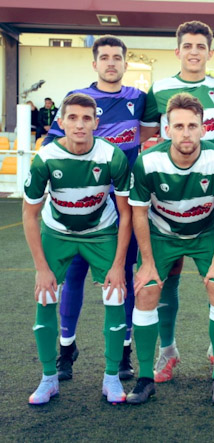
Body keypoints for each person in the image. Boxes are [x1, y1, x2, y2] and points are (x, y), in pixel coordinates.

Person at [43, 35, 148, 382]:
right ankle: (66, 348)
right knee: (74, 275)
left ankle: (124, 352)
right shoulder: (78, 100)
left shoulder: (139, 99)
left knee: (123, 276)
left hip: (123, 205)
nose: (111, 63)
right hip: (84, 204)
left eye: (117, 57)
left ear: (125, 63)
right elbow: (52, 147)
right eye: (105, 57)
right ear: (94, 64)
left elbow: (153, 133)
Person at [141, 20, 214, 383]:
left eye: (201, 46)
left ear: (210, 52)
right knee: (166, 278)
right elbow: (147, 136)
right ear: (177, 51)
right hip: (168, 199)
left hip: (208, 193)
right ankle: (167, 351)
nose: (194, 52)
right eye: (188, 46)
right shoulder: (159, 88)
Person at [126, 93, 214, 405]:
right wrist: (147, 262)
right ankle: (147, 377)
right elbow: (138, 213)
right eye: (178, 126)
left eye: (192, 126)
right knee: (147, 290)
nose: (186, 133)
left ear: (204, 128)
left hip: (205, 231)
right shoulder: (148, 161)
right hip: (162, 233)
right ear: (167, 130)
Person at [23, 92, 131, 405]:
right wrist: (41, 269)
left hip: (101, 232)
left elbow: (126, 214)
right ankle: (48, 378)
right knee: (45, 295)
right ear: (61, 122)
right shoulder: (45, 157)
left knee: (116, 294)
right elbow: (29, 214)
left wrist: (118, 265)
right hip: (57, 232)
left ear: (96, 123)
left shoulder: (112, 156)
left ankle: (111, 377)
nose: (80, 125)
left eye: (86, 118)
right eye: (72, 118)